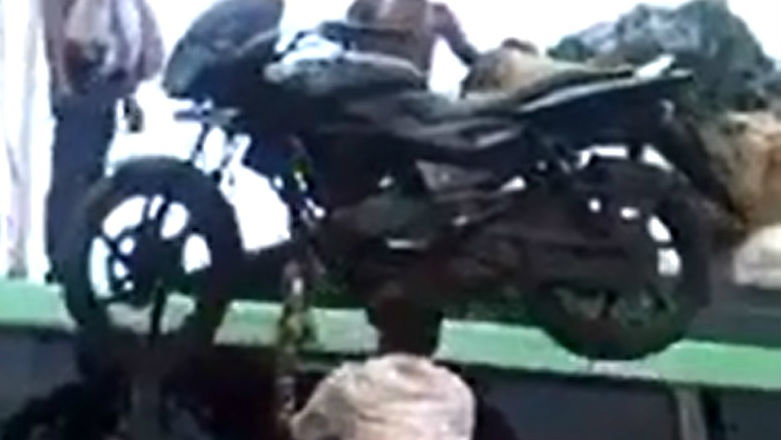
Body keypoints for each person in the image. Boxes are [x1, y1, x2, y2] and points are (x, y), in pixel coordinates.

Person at [40, 0, 163, 280]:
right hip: (80, 74)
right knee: (72, 174)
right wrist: (61, 80)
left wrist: (129, 98)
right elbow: (54, 25)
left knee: (91, 176)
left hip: (105, 79)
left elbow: (123, 34)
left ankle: (75, 259)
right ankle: (61, 259)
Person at [290, 292, 475, 440]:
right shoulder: (457, 392)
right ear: (434, 343)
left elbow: (303, 432)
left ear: (382, 334)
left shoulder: (349, 384)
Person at [345, 0, 479, 74]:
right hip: (366, 84)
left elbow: (466, 54)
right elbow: (347, 43)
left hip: (410, 89)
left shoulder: (439, 13)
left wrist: (490, 62)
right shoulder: (365, 5)